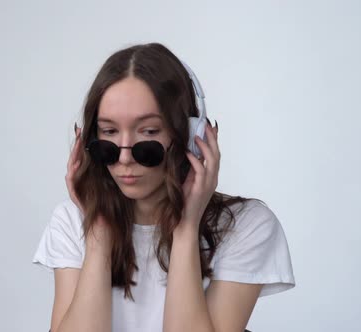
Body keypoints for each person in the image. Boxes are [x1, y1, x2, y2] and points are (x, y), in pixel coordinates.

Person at [32, 43, 295, 332]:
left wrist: (185, 228)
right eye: (108, 132)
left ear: (192, 135)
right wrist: (98, 234)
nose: (124, 157)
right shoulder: (71, 221)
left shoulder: (245, 225)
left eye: (148, 132)